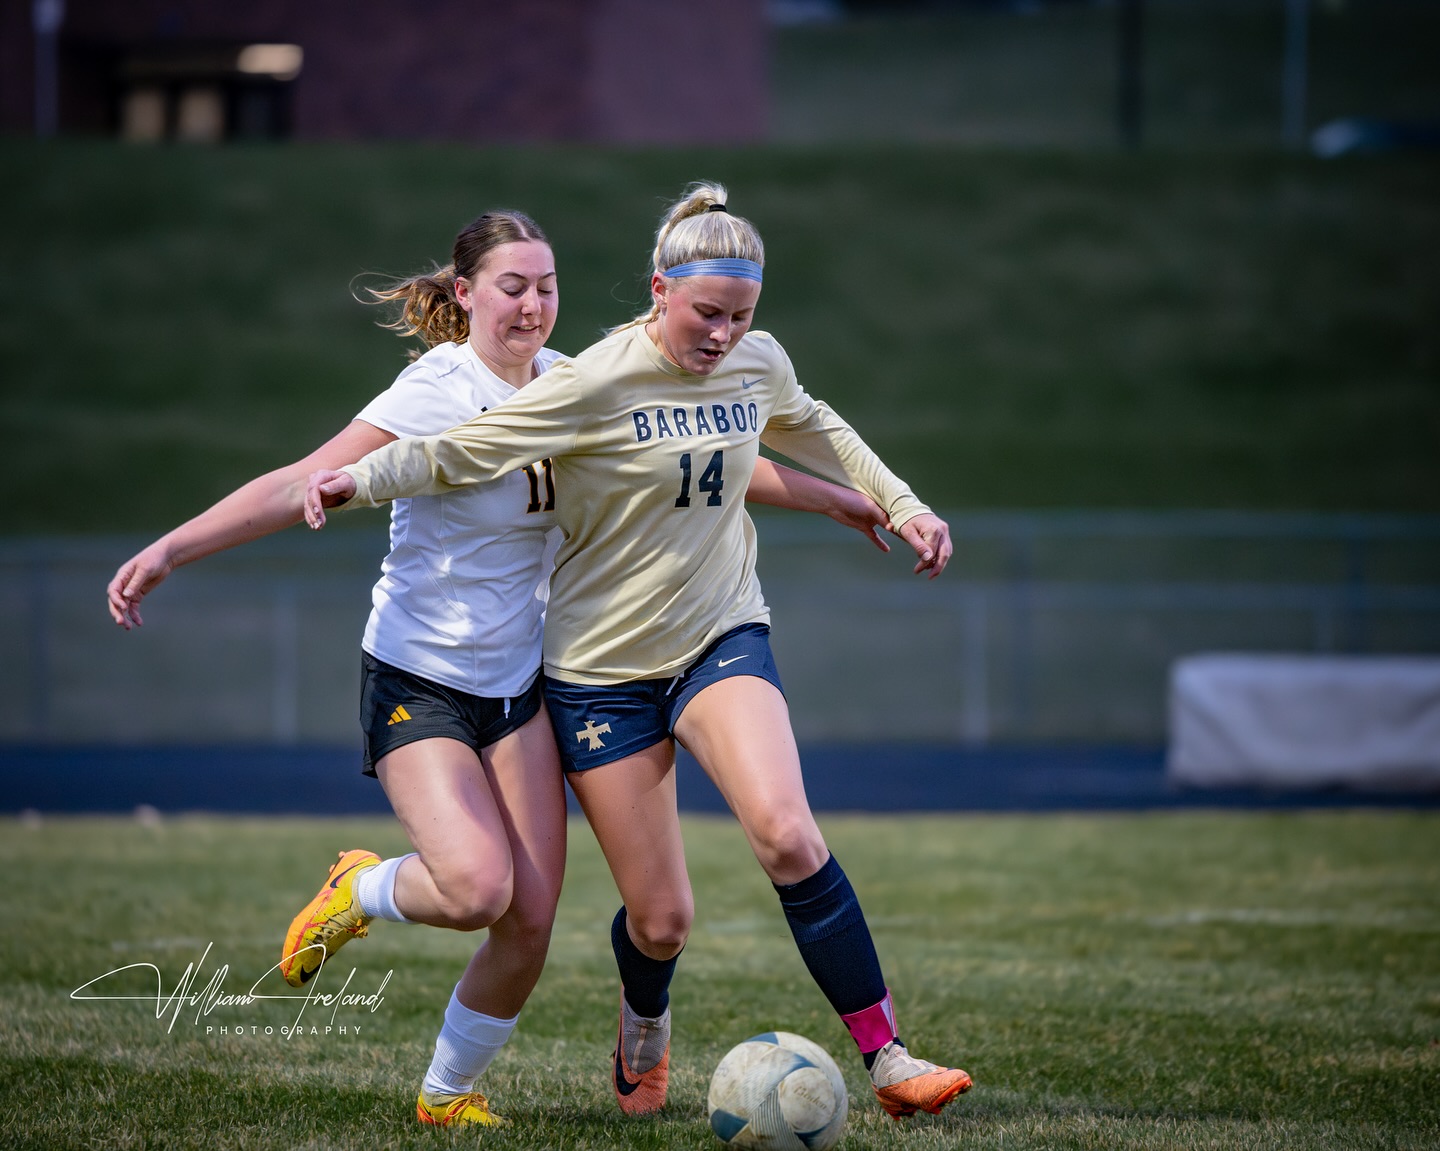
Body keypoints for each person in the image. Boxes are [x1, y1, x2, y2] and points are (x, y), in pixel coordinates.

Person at [106, 207, 896, 1129]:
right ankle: (360, 887)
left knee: (529, 917)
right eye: (512, 287)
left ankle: (446, 1095)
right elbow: (302, 479)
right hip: (421, 676)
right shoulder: (436, 388)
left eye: (547, 287)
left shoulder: (572, 381)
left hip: (522, 685)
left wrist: (836, 499)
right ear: (467, 293)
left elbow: (698, 457)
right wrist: (171, 549)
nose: (532, 305)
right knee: (478, 886)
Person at [304, 182, 973, 1123]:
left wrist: (901, 502)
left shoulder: (756, 362)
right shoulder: (594, 381)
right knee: (662, 920)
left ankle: (889, 1057)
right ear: (660, 290)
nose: (724, 335)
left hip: (718, 634)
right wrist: (358, 478)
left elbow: (816, 424)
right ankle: (643, 1025)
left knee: (786, 831)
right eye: (707, 314)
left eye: (742, 316)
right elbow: (465, 450)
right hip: (600, 674)